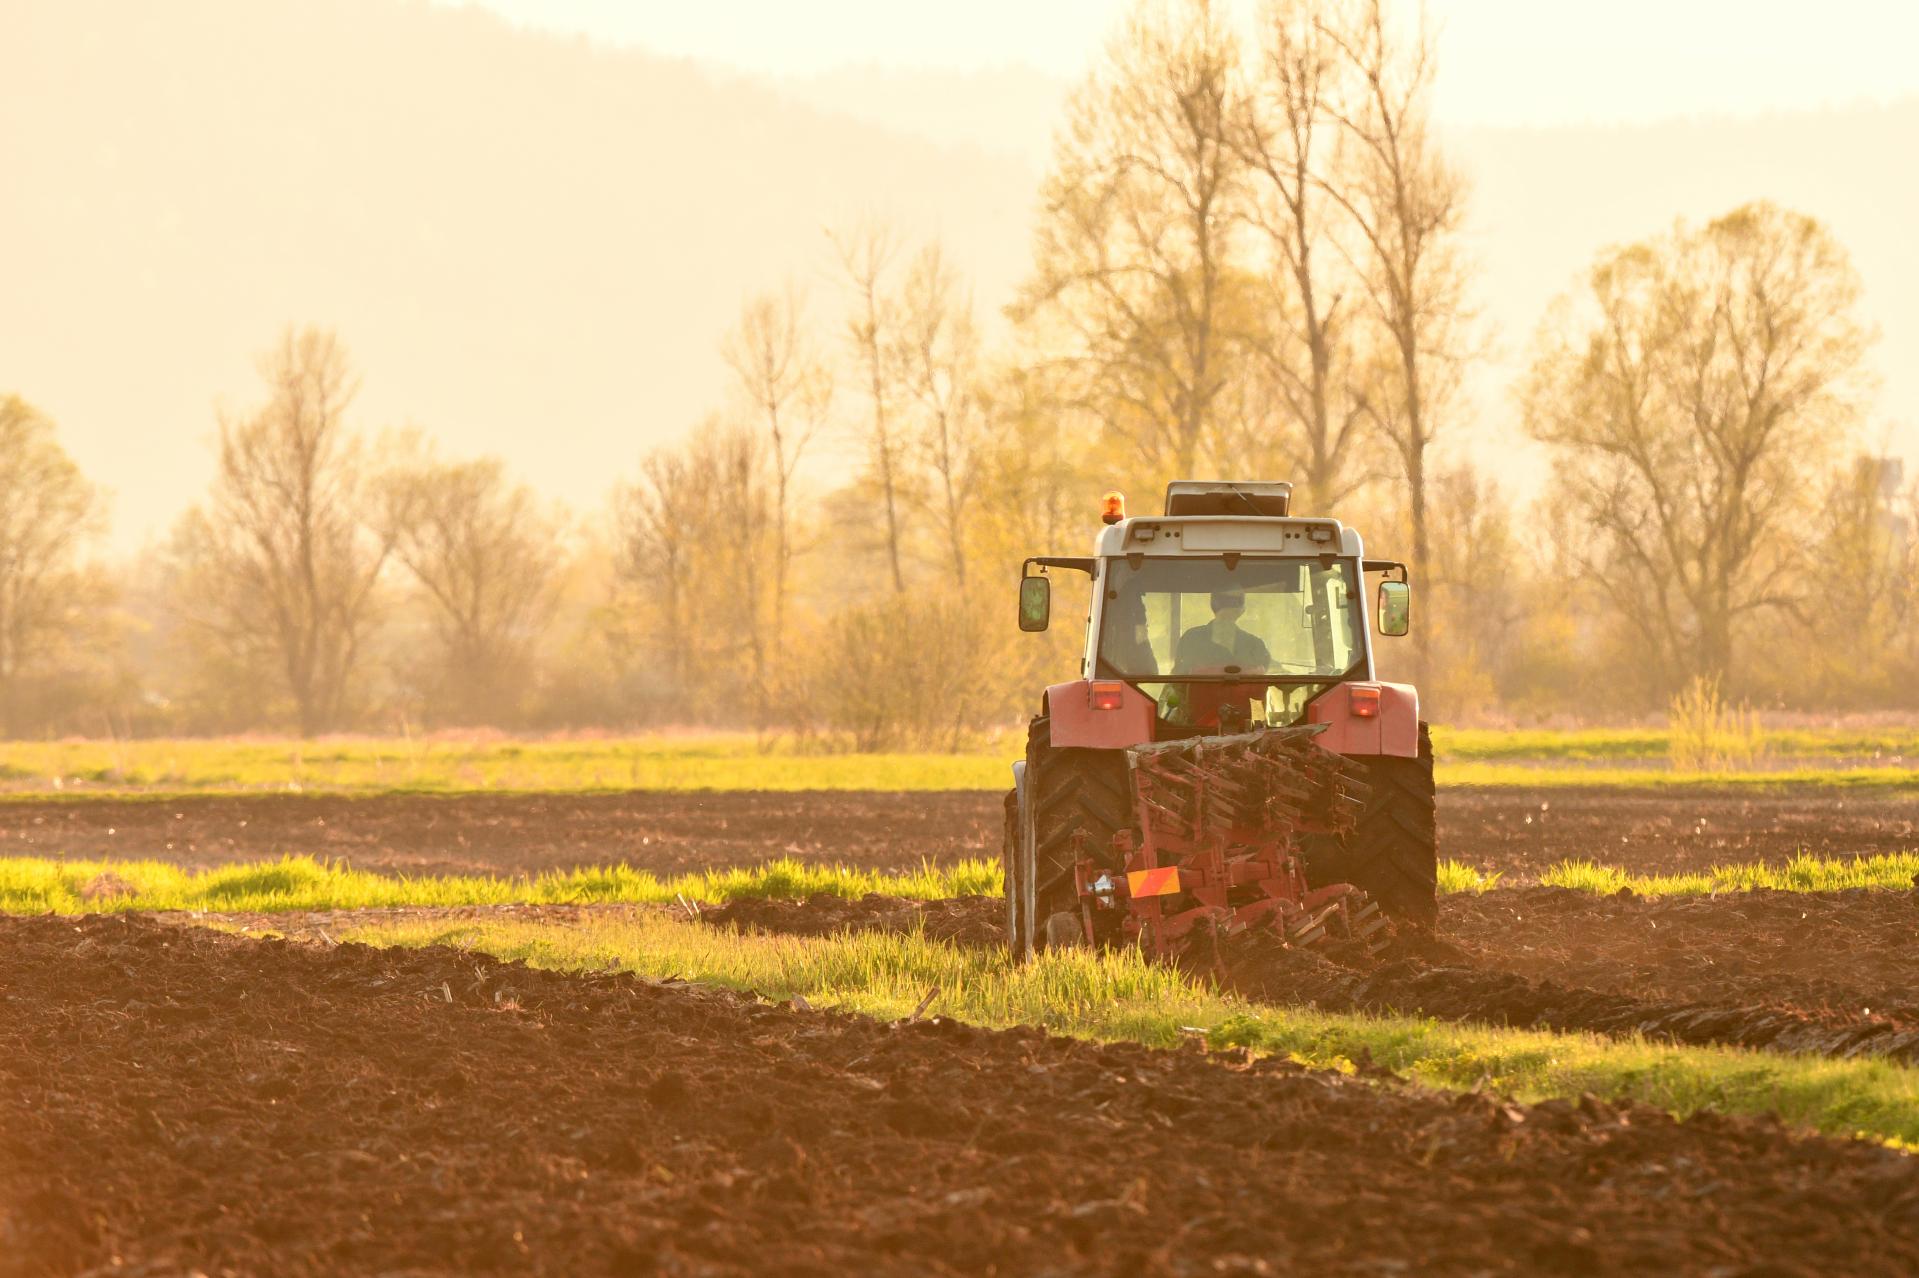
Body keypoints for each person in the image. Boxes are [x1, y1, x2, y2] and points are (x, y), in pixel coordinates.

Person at [1175, 590, 1271, 673]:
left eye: (1235, 602)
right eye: (1227, 602)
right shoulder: (1192, 639)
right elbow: (1178, 681)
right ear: (1242, 610)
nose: (1230, 607)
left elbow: (1277, 673)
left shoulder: (1191, 638)